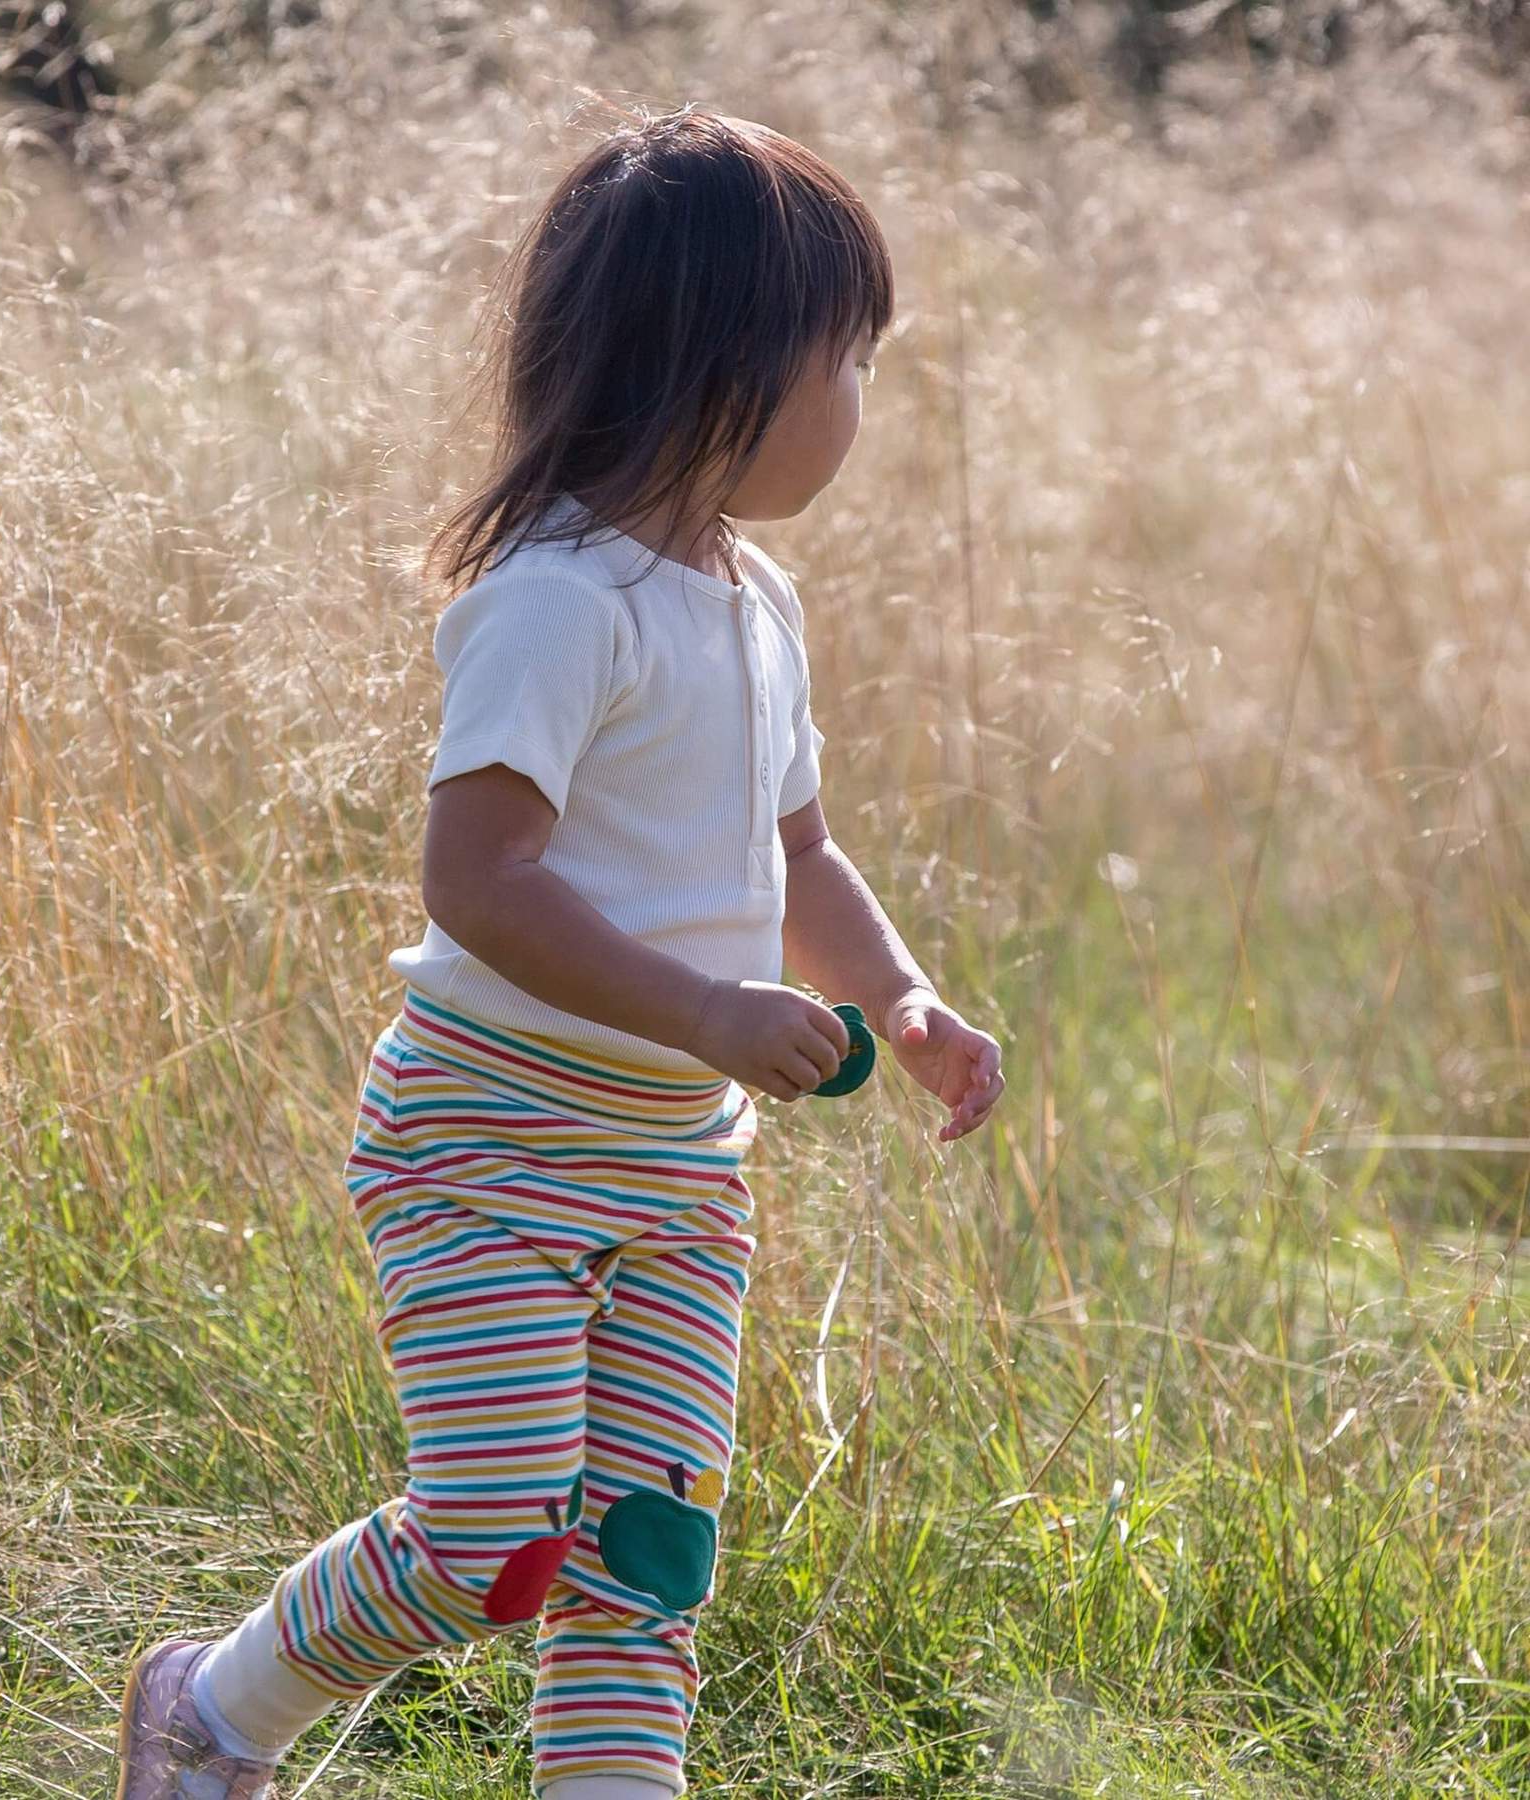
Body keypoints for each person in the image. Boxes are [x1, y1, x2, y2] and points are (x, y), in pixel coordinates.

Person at [116, 102, 1005, 1800]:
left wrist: (897, 999)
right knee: (493, 1538)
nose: (866, 403)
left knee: (646, 1561)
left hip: (680, 1175)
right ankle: (210, 1717)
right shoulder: (556, 598)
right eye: (853, 356)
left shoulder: (758, 605)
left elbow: (798, 850)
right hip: (486, 1147)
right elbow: (479, 875)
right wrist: (700, 1005)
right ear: (721, 360)